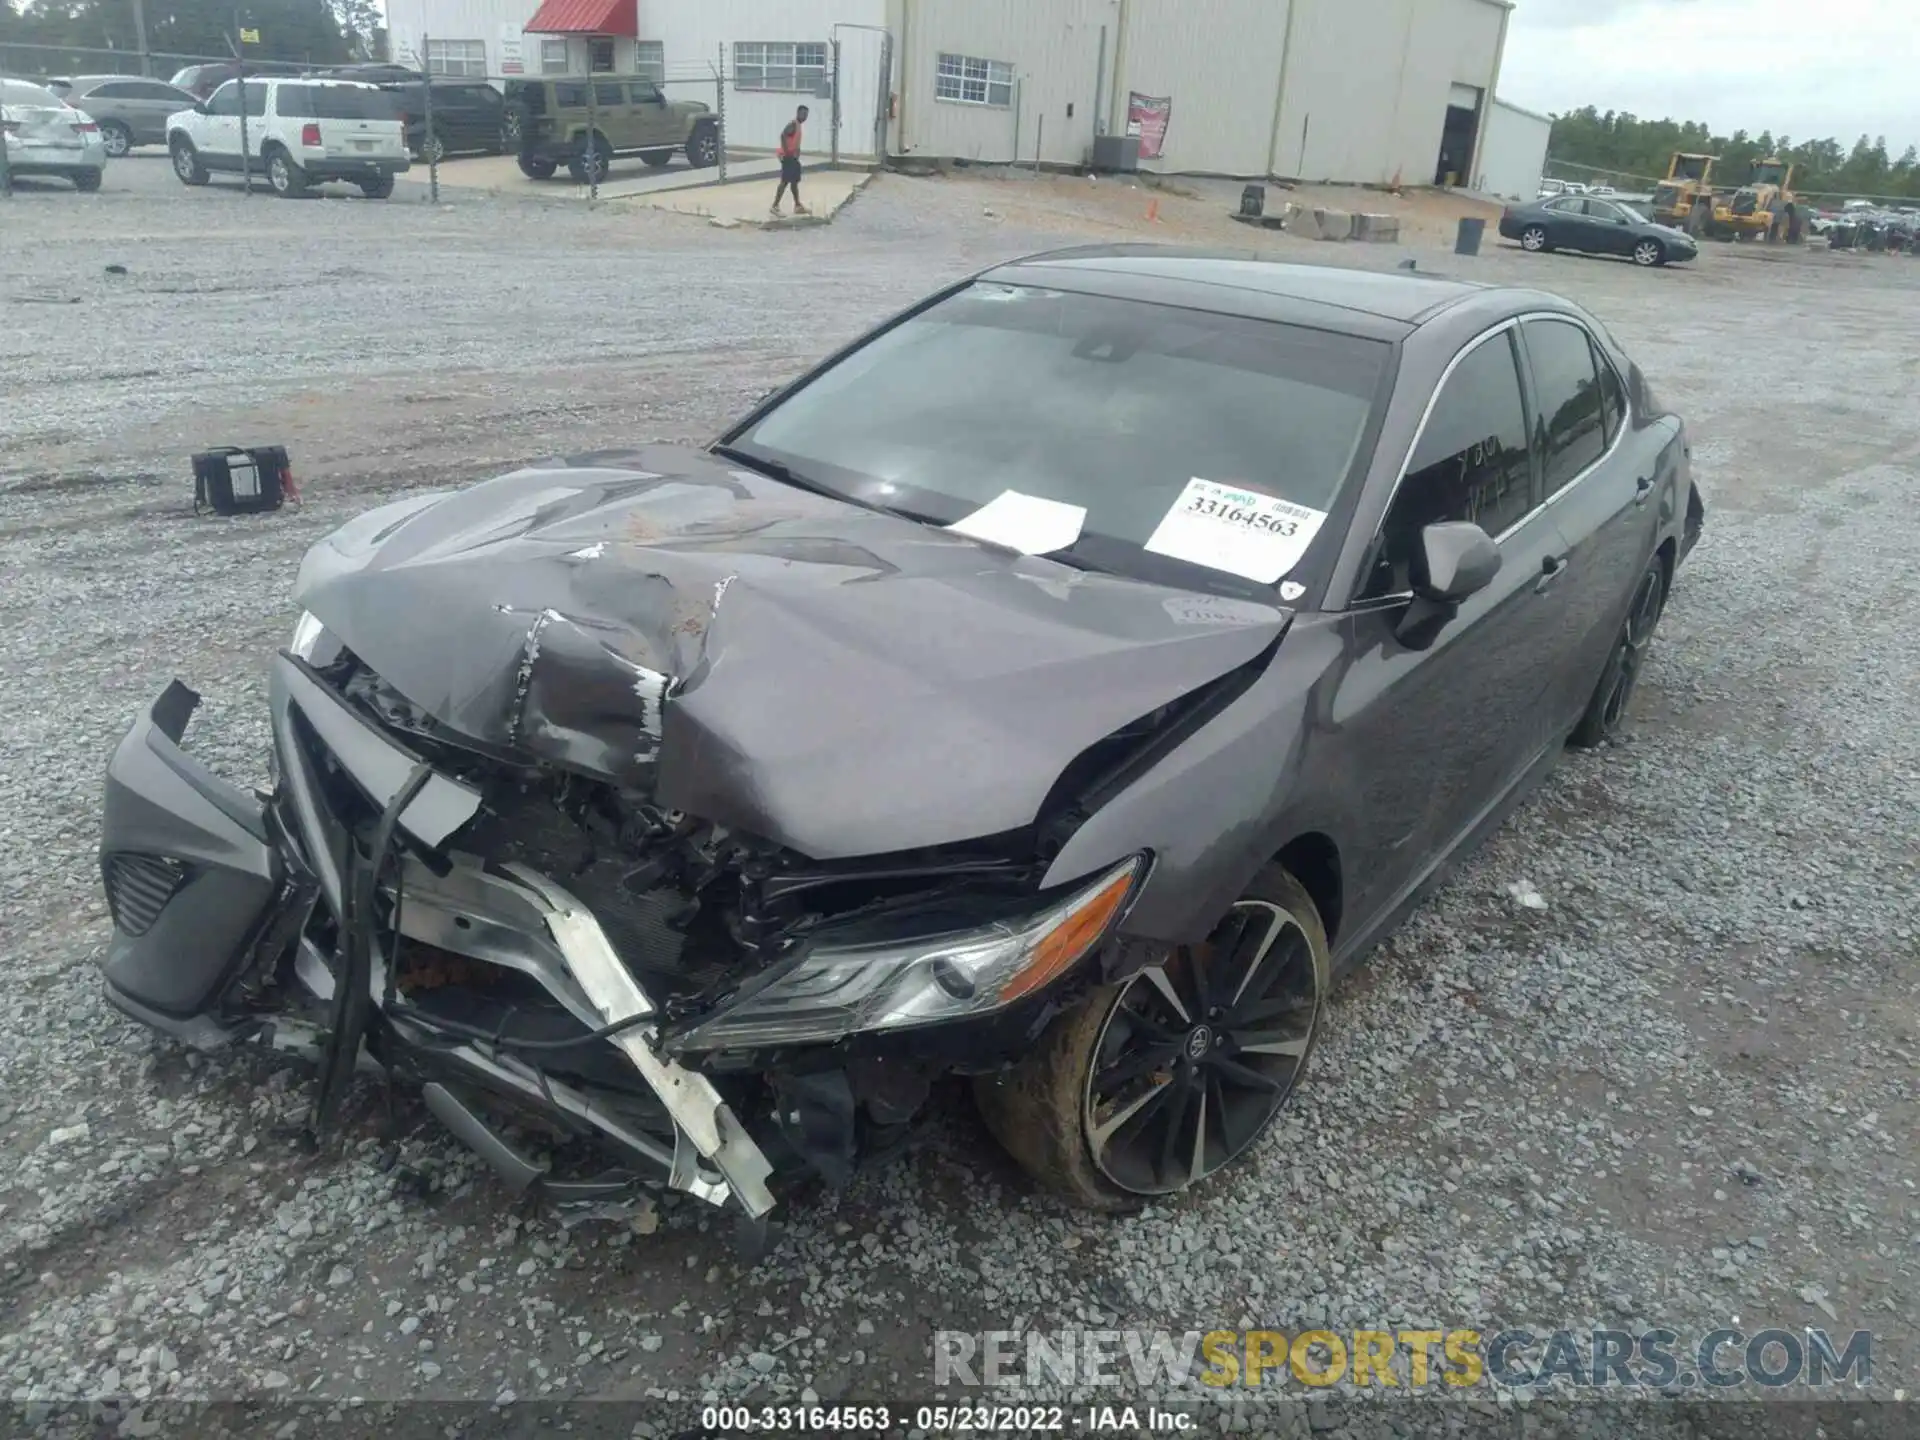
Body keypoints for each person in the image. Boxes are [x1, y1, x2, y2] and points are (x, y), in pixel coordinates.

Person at [772, 104, 810, 218]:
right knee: (785, 181)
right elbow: (783, 135)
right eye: (803, 114)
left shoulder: (798, 125)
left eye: (806, 115)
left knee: (794, 181)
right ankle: (774, 206)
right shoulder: (793, 124)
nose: (805, 116)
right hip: (788, 157)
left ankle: (797, 205)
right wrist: (786, 150)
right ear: (798, 113)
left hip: (793, 157)